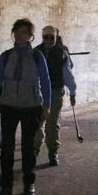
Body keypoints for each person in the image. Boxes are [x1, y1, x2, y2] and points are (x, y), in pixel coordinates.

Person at [0, 18, 51, 195]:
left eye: (24, 33)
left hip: (31, 106)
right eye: (17, 32)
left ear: (31, 36)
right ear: (13, 34)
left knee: (28, 148)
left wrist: (47, 105)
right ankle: (6, 187)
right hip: (8, 106)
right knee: (6, 148)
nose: (20, 36)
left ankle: (29, 182)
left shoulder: (38, 57)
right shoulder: (6, 56)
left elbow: (45, 81)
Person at [33, 25, 77, 166]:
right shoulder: (35, 52)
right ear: (42, 37)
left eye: (52, 37)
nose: (49, 40)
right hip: (38, 93)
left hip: (56, 92)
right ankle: (35, 149)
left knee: (52, 125)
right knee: (37, 123)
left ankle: (53, 152)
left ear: (56, 37)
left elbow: (68, 73)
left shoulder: (61, 52)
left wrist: (73, 91)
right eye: (46, 37)